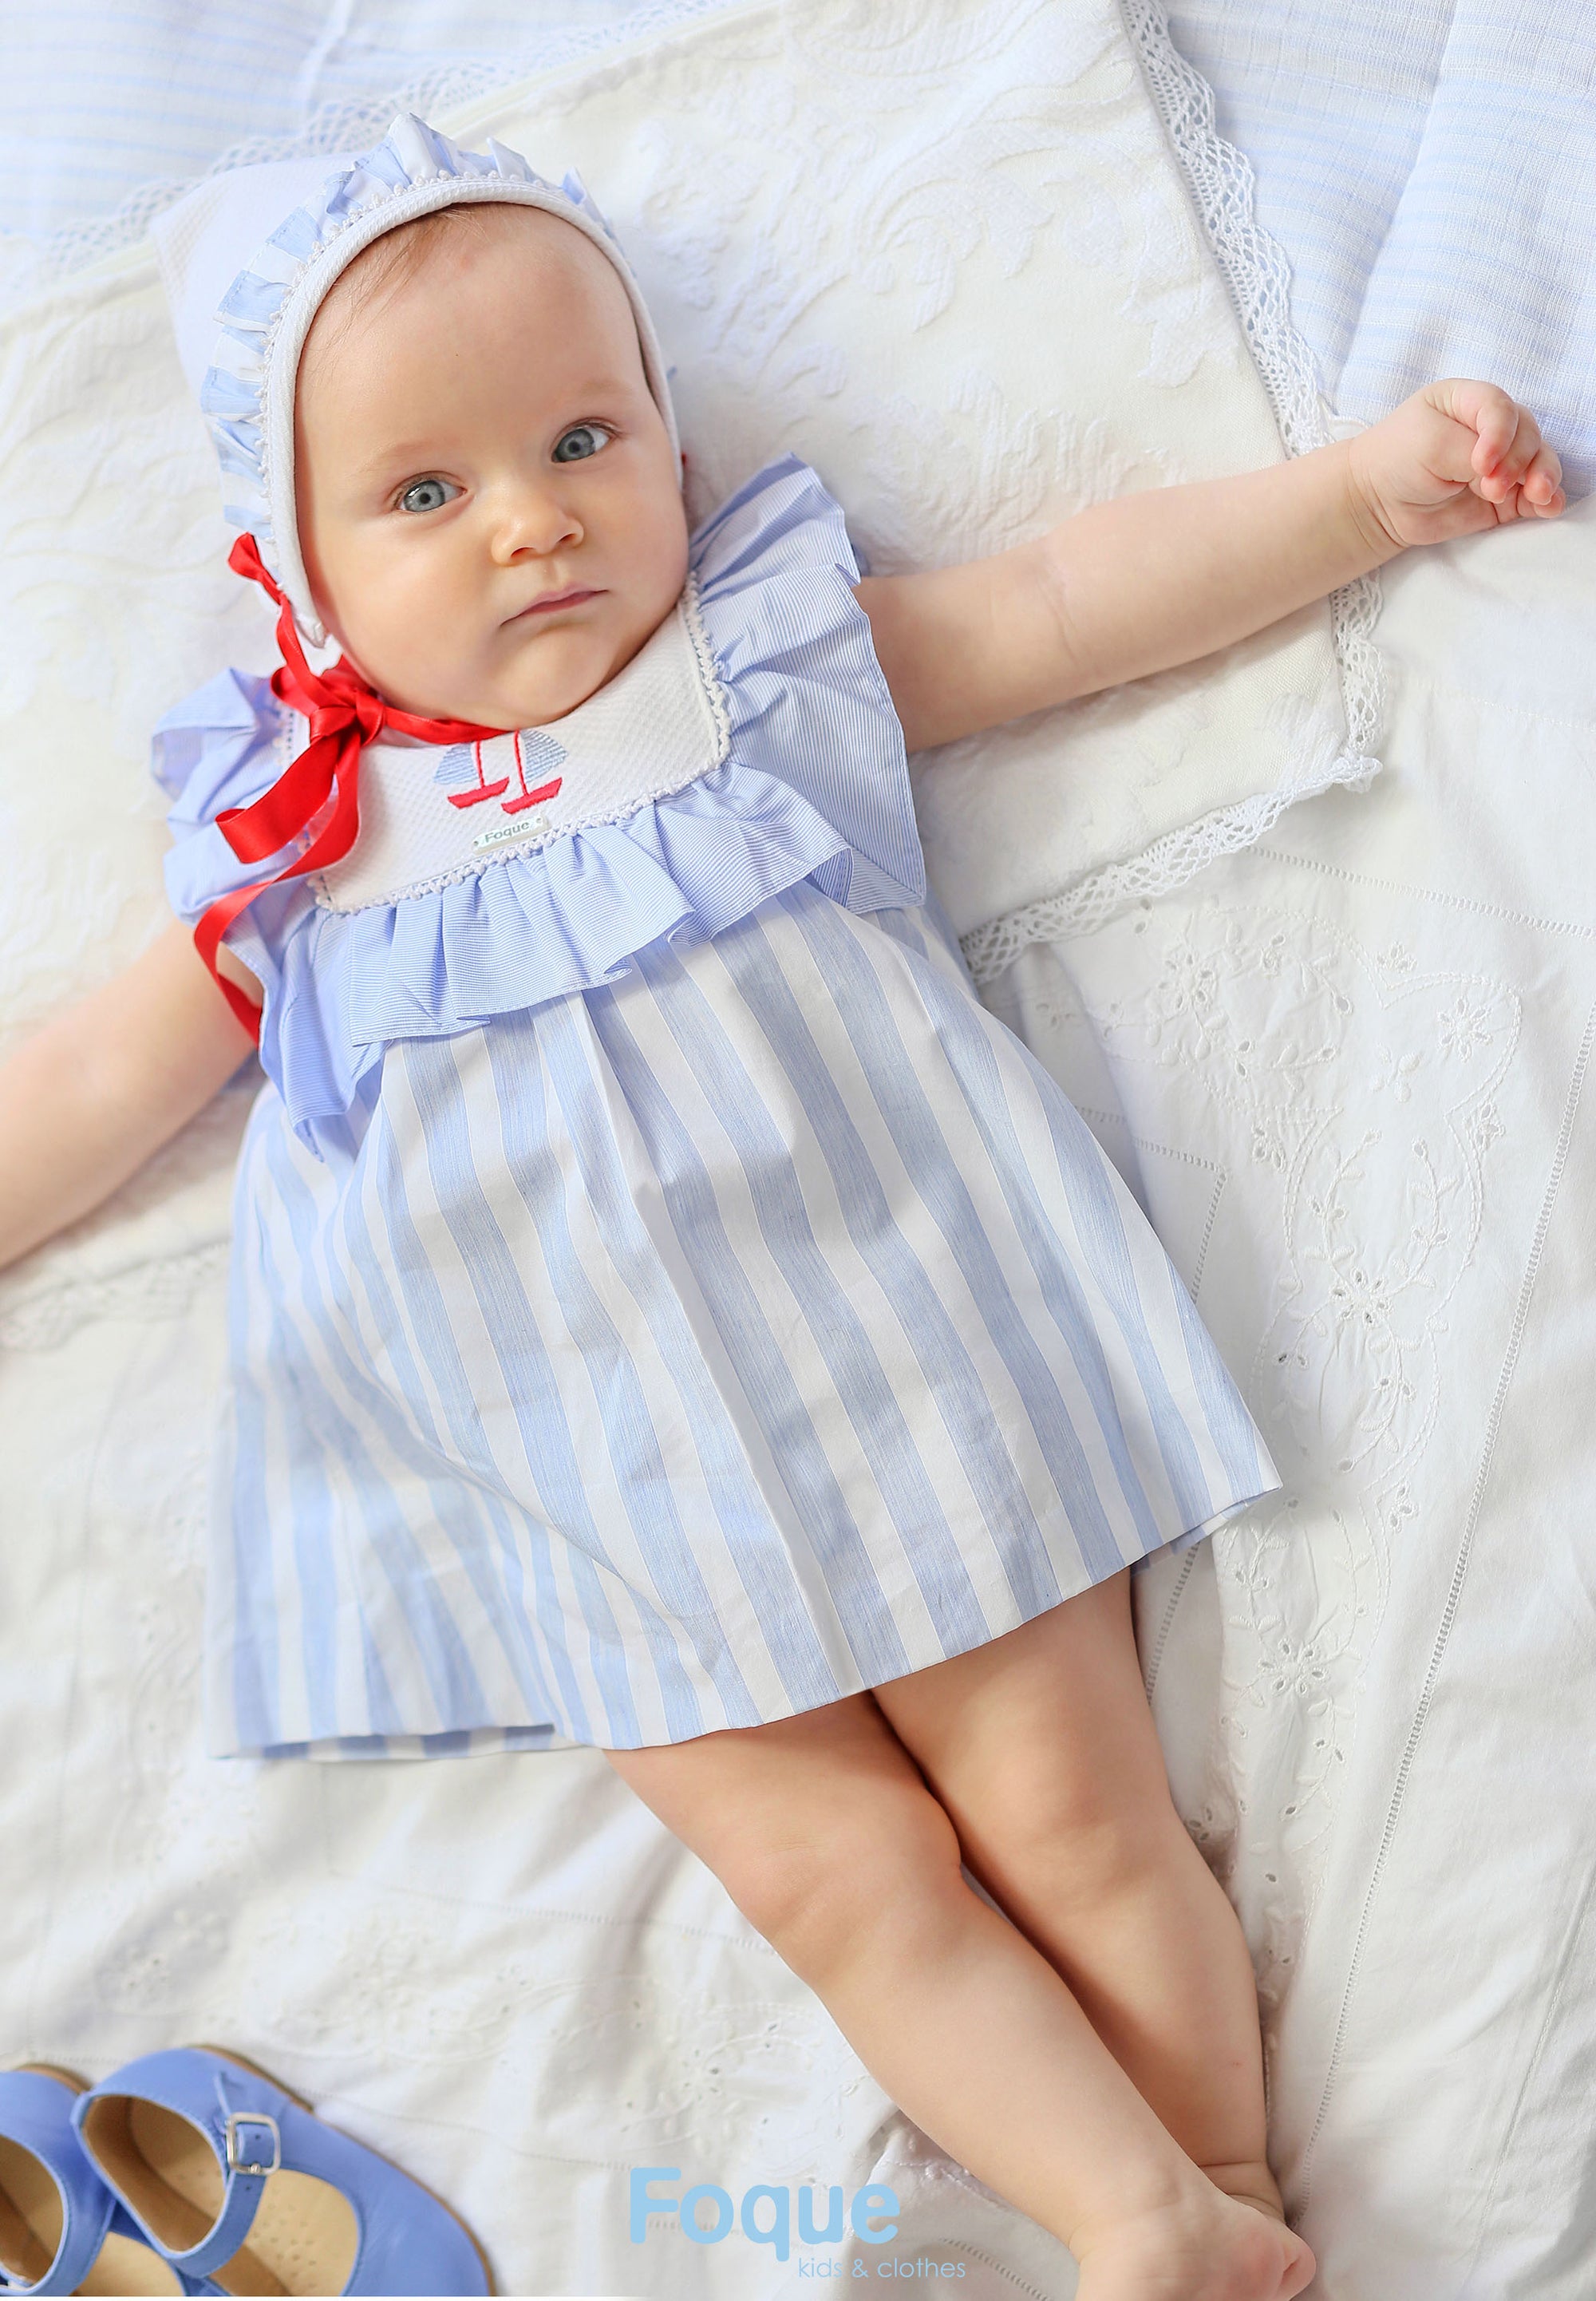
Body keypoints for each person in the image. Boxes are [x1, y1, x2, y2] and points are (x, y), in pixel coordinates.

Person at [0, 115, 1562, 2301]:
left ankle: (1207, 2192)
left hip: (903, 1359)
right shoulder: (297, 844)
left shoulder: (755, 668)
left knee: (1077, 1818)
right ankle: (1128, 2205)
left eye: (581, 435)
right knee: (840, 1876)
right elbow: (84, 1078)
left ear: (667, 435)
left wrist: (1356, 495)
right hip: (581, 1483)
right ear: (302, 563)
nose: (534, 518)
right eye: (427, 493)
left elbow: (1061, 603)